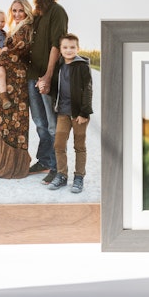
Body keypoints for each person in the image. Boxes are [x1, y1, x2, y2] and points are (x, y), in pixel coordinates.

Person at [0, 0, 34, 179]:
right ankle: (6, 162)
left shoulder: (26, 29)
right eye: (14, 10)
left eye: (20, 10)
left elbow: (13, 54)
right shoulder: (15, 29)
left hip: (17, 82)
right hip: (8, 79)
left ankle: (15, 167)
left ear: (27, 11)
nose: (17, 14)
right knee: (6, 121)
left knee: (14, 123)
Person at [26, 0, 68, 181]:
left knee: (53, 125)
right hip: (32, 76)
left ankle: (59, 169)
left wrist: (48, 77)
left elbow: (56, 46)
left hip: (47, 75)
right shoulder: (35, 14)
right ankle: (44, 160)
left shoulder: (57, 12)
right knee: (40, 122)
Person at [46, 34, 93, 193]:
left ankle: (79, 177)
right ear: (60, 49)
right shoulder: (58, 65)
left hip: (79, 114)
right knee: (59, 144)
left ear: (77, 49)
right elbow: (55, 88)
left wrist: (84, 112)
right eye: (65, 47)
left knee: (79, 146)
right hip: (63, 113)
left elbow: (88, 90)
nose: (68, 50)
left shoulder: (82, 66)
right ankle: (61, 175)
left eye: (72, 47)